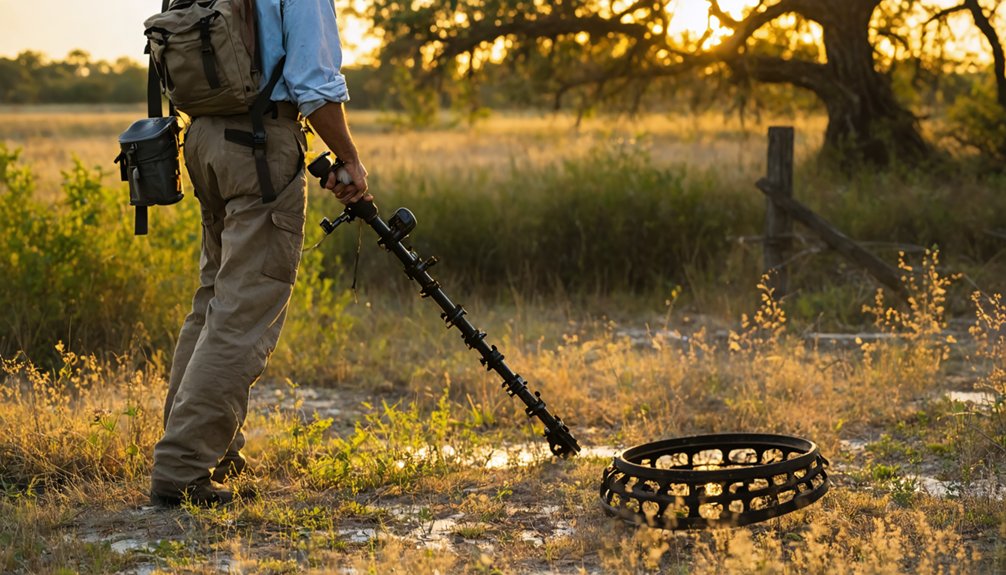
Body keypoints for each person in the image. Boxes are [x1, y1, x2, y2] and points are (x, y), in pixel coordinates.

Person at [149, 0, 369, 506]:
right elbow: (314, 85)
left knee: (213, 302)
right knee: (242, 311)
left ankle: (213, 454)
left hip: (204, 139)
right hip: (258, 143)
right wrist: (352, 159)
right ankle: (183, 469)